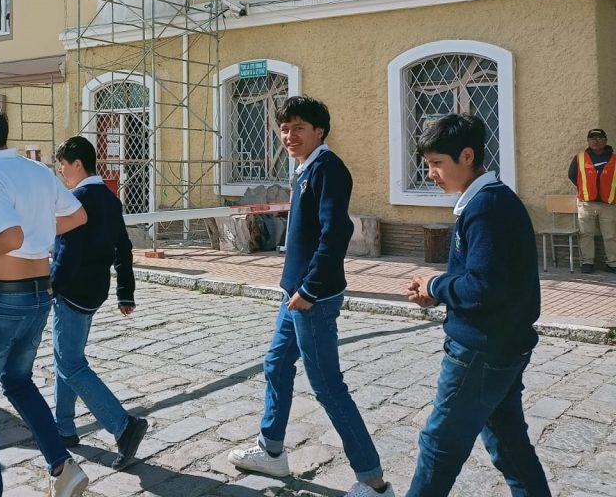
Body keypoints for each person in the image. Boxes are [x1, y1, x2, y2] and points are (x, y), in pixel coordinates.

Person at [228, 96, 393, 497]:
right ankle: (271, 450)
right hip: (294, 293)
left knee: (327, 385)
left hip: (311, 297)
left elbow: (335, 233)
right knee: (276, 365)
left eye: (298, 127)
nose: (289, 135)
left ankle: (372, 480)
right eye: (284, 128)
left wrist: (309, 289)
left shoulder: (328, 169)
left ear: (319, 131)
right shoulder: (305, 168)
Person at [406, 114, 551, 496]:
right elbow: (486, 282)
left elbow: (482, 287)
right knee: (510, 447)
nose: (431, 173)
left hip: (480, 351)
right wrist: (439, 290)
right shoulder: (487, 201)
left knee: (438, 446)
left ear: (467, 156)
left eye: (438, 163)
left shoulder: (487, 207)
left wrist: (436, 283)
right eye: (428, 164)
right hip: (501, 344)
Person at [0, 101, 90, 497]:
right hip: (37, 297)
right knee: (17, 380)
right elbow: (77, 216)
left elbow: (8, 238)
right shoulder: (37, 170)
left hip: (0, 299)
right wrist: (40, 228)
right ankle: (62, 466)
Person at [51, 136, 147, 470]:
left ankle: (123, 425)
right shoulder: (109, 197)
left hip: (72, 292)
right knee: (65, 357)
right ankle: (63, 428)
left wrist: (51, 287)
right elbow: (124, 246)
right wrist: (125, 291)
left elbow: (66, 251)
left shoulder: (76, 200)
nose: (61, 172)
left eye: (62, 165)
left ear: (77, 163)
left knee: (72, 364)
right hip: (95, 292)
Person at [567, 128, 616, 273]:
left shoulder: (614, 158)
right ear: (588, 141)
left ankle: (612, 263)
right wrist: (585, 188)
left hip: (609, 204)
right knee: (586, 234)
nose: (596, 141)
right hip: (586, 203)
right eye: (592, 138)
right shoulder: (579, 157)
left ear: (605, 140)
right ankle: (587, 262)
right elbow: (572, 175)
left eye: (600, 138)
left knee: (611, 235)